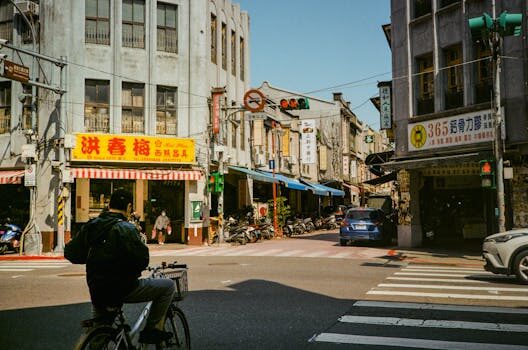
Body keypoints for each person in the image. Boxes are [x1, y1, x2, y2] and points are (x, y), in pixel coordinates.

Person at [65, 189, 175, 344]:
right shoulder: (127, 228)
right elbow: (142, 261)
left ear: (109, 205)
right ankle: (151, 331)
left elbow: (71, 253)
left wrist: (95, 257)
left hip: (97, 288)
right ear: (129, 207)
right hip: (123, 288)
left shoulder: (92, 225)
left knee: (99, 335)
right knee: (168, 286)